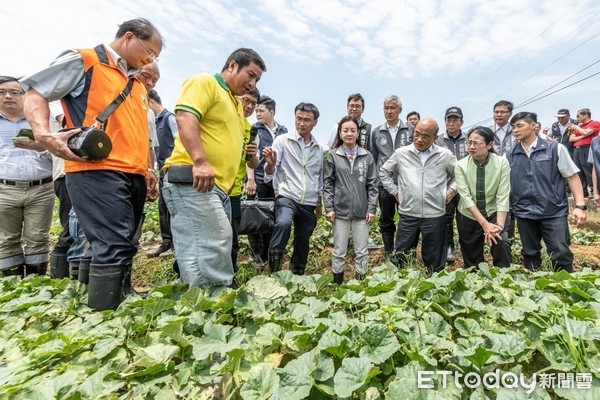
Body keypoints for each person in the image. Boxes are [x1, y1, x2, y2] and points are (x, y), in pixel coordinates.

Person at [22, 18, 163, 310]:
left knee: (126, 241)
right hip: (97, 170)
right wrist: (44, 134)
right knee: (112, 243)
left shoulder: (136, 83)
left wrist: (147, 170)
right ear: (128, 37)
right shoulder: (84, 60)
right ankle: (105, 311)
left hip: (131, 173)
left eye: (154, 57)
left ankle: (121, 294)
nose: (149, 60)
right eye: (149, 51)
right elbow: (35, 92)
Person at [162, 48, 266, 288]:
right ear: (232, 65)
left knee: (208, 243)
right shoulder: (205, 83)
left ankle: (204, 301)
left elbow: (240, 156)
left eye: (257, 80)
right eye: (250, 75)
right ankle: (210, 303)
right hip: (194, 179)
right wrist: (200, 161)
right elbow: (185, 116)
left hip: (219, 189)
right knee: (211, 243)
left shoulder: (236, 105)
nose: (252, 83)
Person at [507, 112, 587, 272]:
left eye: (519, 125)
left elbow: (572, 176)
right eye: (513, 127)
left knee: (561, 252)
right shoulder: (510, 155)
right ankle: (533, 288)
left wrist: (580, 205)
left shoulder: (555, 149)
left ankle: (565, 287)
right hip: (524, 213)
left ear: (533, 126)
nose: (515, 130)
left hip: (553, 212)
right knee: (530, 254)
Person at [379, 118, 456, 274]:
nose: (419, 139)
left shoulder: (445, 155)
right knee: (401, 257)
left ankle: (434, 290)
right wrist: (395, 191)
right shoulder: (401, 153)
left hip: (435, 215)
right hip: (408, 214)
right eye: (417, 134)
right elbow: (384, 172)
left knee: (435, 260)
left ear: (435, 138)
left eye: (426, 136)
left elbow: (460, 175)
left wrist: (452, 190)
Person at [0, 76, 54, 278]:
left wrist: (43, 147)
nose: (8, 96)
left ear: (25, 96)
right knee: (6, 239)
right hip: (4, 189)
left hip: (41, 189)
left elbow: (60, 153)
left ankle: (35, 283)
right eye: (2, 92)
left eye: (15, 92)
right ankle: (12, 284)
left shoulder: (42, 120)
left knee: (38, 238)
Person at [263, 102, 323, 275]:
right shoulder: (283, 141)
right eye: (298, 119)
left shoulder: (318, 148)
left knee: (303, 238)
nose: (301, 123)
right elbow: (269, 173)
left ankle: (297, 273)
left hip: (309, 200)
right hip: (287, 196)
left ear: (315, 123)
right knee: (283, 222)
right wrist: (271, 165)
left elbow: (318, 177)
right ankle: (274, 271)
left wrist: (319, 202)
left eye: (306, 120)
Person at [324, 116, 378, 283]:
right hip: (340, 212)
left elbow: (372, 185)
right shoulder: (333, 156)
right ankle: (338, 284)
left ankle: (360, 283)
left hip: (362, 212)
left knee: (361, 251)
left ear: (357, 134)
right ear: (340, 134)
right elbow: (328, 183)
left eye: (352, 130)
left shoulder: (367, 156)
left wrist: (371, 208)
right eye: (345, 130)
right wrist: (329, 207)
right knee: (339, 250)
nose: (349, 133)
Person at [455, 126, 511, 268]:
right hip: (469, 214)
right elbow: (466, 197)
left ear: (490, 144)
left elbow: (503, 195)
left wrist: (498, 226)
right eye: (469, 143)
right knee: (471, 256)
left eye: (476, 143)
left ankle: (503, 278)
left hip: (494, 211)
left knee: (501, 241)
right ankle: (474, 283)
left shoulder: (501, 163)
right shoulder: (461, 165)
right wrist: (485, 224)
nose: (471, 147)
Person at [245, 95, 288, 265]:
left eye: (261, 110)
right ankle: (257, 254)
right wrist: (251, 180)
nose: (257, 113)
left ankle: (271, 253)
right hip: (259, 180)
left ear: (272, 112)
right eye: (256, 110)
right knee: (255, 219)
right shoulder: (254, 130)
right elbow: (250, 156)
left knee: (272, 219)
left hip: (276, 182)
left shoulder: (283, 131)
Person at [371, 95, 413, 256]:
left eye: (392, 108)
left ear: (400, 110)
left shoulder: (409, 130)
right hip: (384, 184)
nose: (389, 111)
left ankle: (404, 251)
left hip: (406, 183)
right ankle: (389, 252)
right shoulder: (377, 132)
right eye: (386, 108)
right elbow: (374, 158)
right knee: (386, 218)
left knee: (407, 216)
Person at [230, 88, 260, 273]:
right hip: (214, 187)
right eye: (246, 100)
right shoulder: (228, 120)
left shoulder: (249, 129)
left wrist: (253, 155)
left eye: (253, 104)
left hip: (233, 191)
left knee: (232, 236)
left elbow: (252, 162)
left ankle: (230, 274)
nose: (248, 106)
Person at [146, 89, 177, 258]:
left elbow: (181, 142)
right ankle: (166, 241)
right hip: (162, 168)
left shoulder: (170, 119)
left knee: (173, 206)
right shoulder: (155, 122)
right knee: (163, 206)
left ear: (151, 102)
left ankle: (175, 244)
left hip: (173, 169)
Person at [438, 106, 468, 262]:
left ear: (461, 122)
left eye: (455, 119)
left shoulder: (469, 139)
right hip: (445, 186)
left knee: (464, 218)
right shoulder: (438, 140)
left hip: (465, 187)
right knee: (446, 218)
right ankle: (448, 246)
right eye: (448, 119)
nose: (451, 123)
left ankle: (466, 248)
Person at [569, 108, 600, 198]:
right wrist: (582, 135)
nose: (577, 118)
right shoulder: (580, 126)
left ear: (586, 115)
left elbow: (587, 132)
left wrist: (576, 127)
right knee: (578, 171)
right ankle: (583, 191)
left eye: (578, 116)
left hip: (587, 148)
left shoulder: (595, 123)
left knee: (588, 170)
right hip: (577, 149)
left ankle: (594, 190)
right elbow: (571, 138)